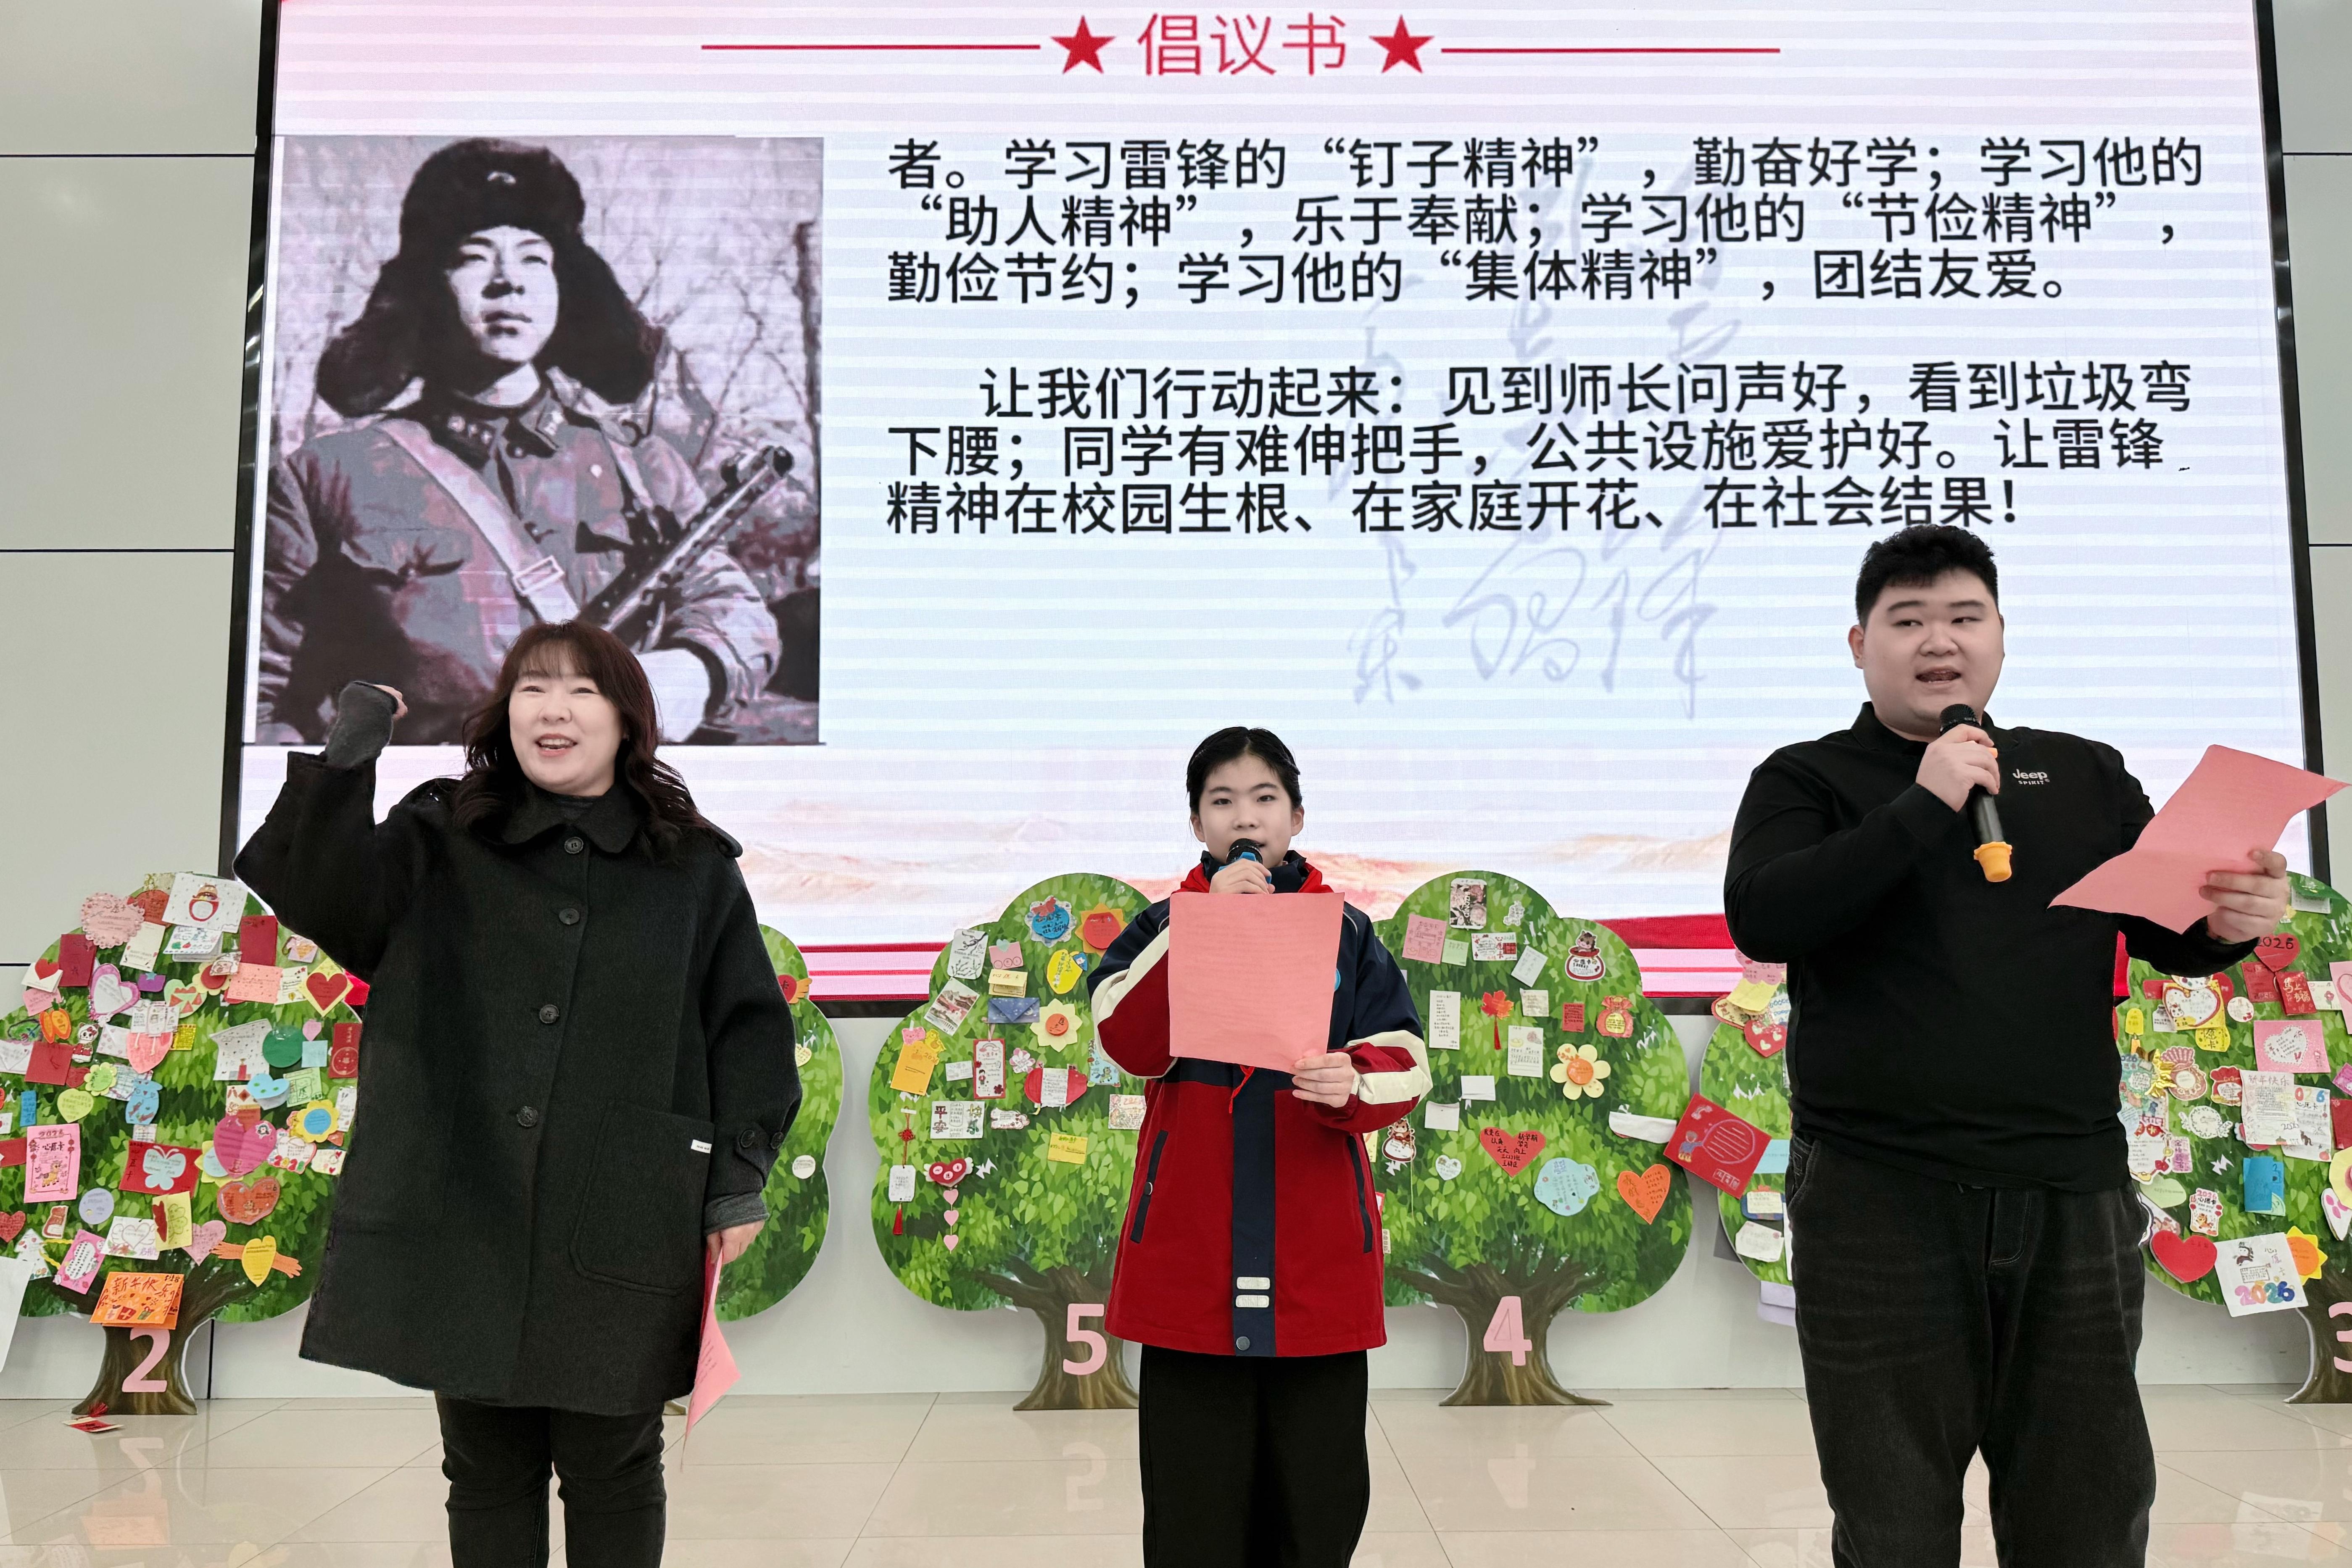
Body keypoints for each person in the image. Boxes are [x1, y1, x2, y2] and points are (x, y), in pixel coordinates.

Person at [1724, 525, 2291, 1568]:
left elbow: (2169, 931)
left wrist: (2229, 922)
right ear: (1858, 645)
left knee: (2085, 1516)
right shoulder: (1806, 779)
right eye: (1906, 620)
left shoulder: (2081, 774)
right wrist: (1923, 802)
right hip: (1876, 1195)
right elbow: (1767, 916)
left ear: (1998, 636)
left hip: (2069, 1190)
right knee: (1892, 1523)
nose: (1937, 641)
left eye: (1962, 617)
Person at [235, 620, 801, 1567]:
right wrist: (346, 762)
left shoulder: (692, 867)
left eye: (582, 690)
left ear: (627, 720)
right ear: (506, 715)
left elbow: (744, 1027)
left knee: (614, 1462)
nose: (553, 709)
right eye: (533, 689)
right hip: (466, 1198)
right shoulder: (442, 834)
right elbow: (320, 896)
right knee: (485, 1465)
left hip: (622, 1204)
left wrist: (738, 1178)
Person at [256, 138, 778, 747]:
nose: (508, 282)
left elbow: (731, 604)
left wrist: (695, 668)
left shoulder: (643, 467)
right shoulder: (328, 477)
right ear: (428, 289)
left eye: (535, 259)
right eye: (474, 258)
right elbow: (266, 697)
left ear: (564, 291)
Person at [1087, 727, 1429, 1568]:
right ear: (1197, 825)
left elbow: (1408, 1061)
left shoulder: (1348, 932)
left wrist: (1353, 1081)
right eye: (1223, 801)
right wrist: (1200, 926)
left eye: (1264, 798)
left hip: (1316, 1261)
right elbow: (1126, 1041)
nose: (1245, 818)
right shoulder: (1157, 928)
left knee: (1317, 1511)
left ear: (1296, 817)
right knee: (1190, 1513)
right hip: (1189, 1262)